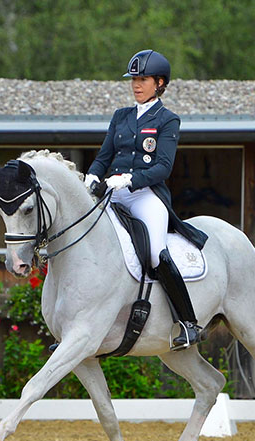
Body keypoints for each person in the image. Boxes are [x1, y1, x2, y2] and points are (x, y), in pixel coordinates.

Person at [85, 49, 208, 349]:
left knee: (155, 252)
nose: (136, 85)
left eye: (143, 79)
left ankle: (188, 323)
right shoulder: (121, 116)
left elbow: (163, 167)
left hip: (144, 196)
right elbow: (104, 157)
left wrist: (129, 179)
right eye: (134, 79)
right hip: (113, 194)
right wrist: (91, 176)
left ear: (160, 83)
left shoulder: (167, 120)